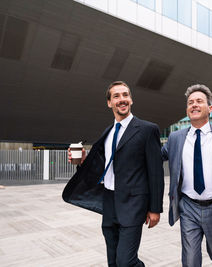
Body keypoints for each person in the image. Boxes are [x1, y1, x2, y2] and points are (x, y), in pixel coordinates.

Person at [62, 81, 164, 267]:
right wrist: (84, 161)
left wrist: (155, 208)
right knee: (113, 261)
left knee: (126, 261)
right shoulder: (107, 132)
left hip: (133, 204)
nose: (122, 99)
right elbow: (103, 166)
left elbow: (156, 173)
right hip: (109, 203)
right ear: (109, 103)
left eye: (125, 95)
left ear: (131, 100)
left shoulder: (148, 129)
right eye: (116, 96)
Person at [162, 84, 212, 267]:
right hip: (188, 207)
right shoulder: (175, 137)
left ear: (210, 108)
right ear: (187, 109)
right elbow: (153, 156)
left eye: (199, 101)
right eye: (190, 102)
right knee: (190, 261)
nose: (194, 105)